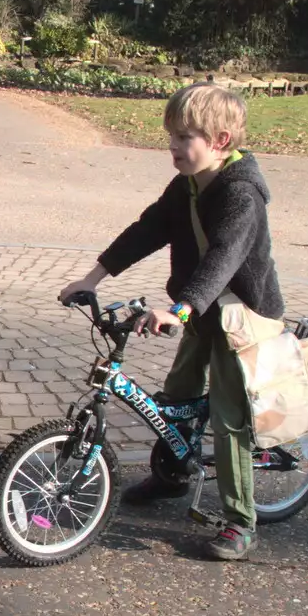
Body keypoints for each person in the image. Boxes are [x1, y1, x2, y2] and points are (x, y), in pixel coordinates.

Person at [58, 83, 283, 562]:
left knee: (228, 417)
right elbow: (148, 229)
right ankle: (171, 476)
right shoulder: (188, 185)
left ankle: (241, 521)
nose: (174, 147)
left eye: (185, 137)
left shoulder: (242, 193)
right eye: (172, 136)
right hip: (200, 309)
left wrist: (180, 310)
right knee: (178, 396)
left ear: (220, 140)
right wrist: (92, 278)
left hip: (241, 314)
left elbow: (223, 258)